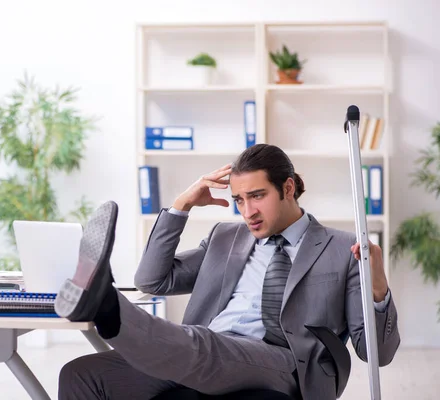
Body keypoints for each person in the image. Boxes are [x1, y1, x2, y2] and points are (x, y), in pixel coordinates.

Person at [54, 144, 400, 400]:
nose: (247, 211)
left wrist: (379, 288)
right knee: (81, 374)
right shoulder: (225, 237)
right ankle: (104, 300)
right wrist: (181, 205)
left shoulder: (343, 249)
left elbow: (377, 354)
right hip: (199, 355)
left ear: (289, 188)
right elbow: (152, 280)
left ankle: (107, 306)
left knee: (205, 343)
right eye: (238, 199)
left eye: (257, 196)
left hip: (283, 364)